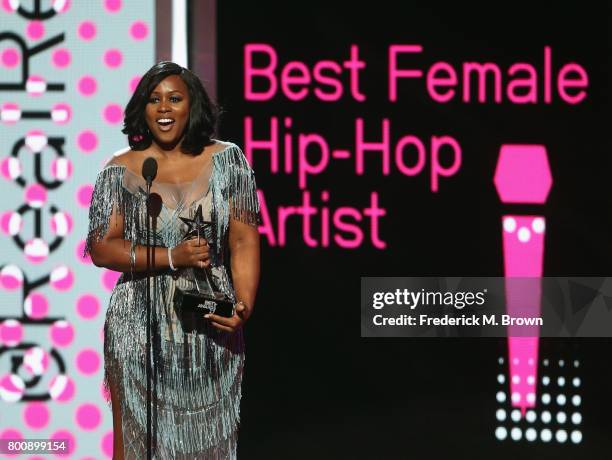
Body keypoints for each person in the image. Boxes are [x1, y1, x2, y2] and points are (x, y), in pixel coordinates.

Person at [84, 61, 260, 459]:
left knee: (207, 444)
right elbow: (101, 247)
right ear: (142, 110)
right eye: (154, 99)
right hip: (138, 325)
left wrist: (243, 306)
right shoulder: (121, 169)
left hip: (208, 323)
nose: (164, 108)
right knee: (135, 446)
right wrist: (171, 256)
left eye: (174, 98)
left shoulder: (228, 162)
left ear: (191, 105)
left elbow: (244, 240)